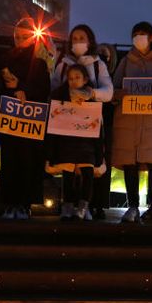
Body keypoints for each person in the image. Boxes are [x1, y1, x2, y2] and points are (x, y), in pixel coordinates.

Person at [111, 21, 152, 223]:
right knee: (130, 163)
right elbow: (114, 88)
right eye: (135, 34)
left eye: (142, 34)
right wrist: (123, 94)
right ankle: (133, 206)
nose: (138, 37)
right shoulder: (126, 61)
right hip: (128, 120)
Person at [50, 24, 113, 221]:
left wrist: (91, 93)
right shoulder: (63, 63)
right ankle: (68, 204)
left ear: (90, 40)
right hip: (66, 126)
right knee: (68, 166)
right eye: (74, 38)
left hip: (89, 125)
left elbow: (108, 92)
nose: (78, 41)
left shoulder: (98, 64)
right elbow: (53, 89)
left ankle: (92, 206)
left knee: (89, 166)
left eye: (82, 38)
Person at [0, 18, 50, 220]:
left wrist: (23, 89)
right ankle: (10, 203)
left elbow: (44, 90)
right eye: (16, 36)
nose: (19, 41)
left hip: (30, 120)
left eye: (23, 37)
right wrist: (10, 90)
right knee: (9, 160)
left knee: (28, 161)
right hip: (10, 117)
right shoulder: (5, 59)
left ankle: (25, 204)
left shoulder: (39, 62)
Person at [47, 64, 102, 221]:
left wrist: (99, 154)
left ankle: (84, 207)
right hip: (67, 146)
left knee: (88, 177)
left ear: (85, 79)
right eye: (70, 78)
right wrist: (51, 152)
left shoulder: (93, 101)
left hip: (87, 147)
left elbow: (99, 128)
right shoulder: (59, 100)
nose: (73, 81)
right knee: (68, 178)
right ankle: (68, 206)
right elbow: (54, 126)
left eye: (77, 77)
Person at [91, 42, 118, 219]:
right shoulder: (91, 74)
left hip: (107, 126)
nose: (102, 56)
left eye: (106, 55)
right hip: (90, 122)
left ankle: (100, 205)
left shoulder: (114, 78)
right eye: (99, 53)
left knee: (103, 164)